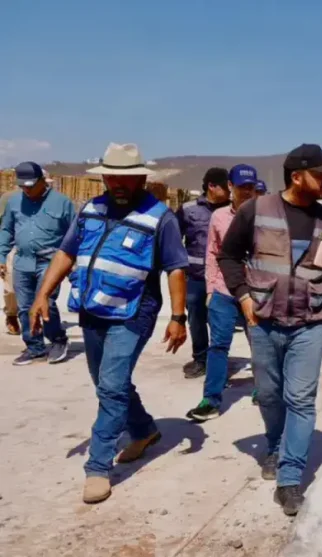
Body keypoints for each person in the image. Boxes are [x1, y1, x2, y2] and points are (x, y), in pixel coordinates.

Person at [31, 142, 188, 504]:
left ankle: (98, 467)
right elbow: (66, 252)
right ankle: (144, 430)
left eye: (126, 177)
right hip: (91, 309)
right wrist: (43, 294)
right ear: (103, 176)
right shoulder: (90, 209)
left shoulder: (159, 217)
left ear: (140, 178)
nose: (118, 182)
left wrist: (178, 317)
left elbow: (176, 268)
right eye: (111, 175)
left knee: (112, 386)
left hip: (134, 313)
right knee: (106, 384)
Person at [217, 143, 322, 516]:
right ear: (297, 177)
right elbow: (229, 256)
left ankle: (289, 477)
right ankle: (274, 443)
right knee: (268, 394)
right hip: (264, 320)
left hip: (311, 322)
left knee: (300, 398)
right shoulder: (256, 210)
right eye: (321, 175)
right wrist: (243, 297)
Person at [186, 164, 260, 422]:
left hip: (255, 293)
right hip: (223, 292)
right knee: (218, 346)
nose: (247, 192)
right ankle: (211, 399)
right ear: (231, 186)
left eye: (251, 187)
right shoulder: (218, 217)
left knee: (260, 344)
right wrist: (210, 288)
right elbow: (212, 253)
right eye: (242, 187)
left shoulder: (265, 216)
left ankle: (263, 389)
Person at [0, 162, 74, 365]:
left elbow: (74, 234)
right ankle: (34, 347)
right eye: (23, 186)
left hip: (50, 262)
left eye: (31, 185)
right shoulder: (14, 202)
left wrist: (73, 266)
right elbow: (6, 230)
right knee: (24, 306)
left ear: (43, 181)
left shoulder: (62, 203)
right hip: (22, 261)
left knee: (46, 303)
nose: (27, 189)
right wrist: (1, 256)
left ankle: (58, 340)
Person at [175, 167, 231, 379]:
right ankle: (200, 359)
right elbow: (173, 240)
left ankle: (218, 363)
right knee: (196, 319)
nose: (230, 191)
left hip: (223, 277)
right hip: (196, 277)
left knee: (219, 321)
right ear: (211, 186)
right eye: (226, 187)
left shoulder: (232, 211)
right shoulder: (188, 210)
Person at [0, 189, 21, 335]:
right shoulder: (8, 197)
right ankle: (12, 315)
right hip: (12, 246)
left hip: (38, 248)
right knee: (10, 284)